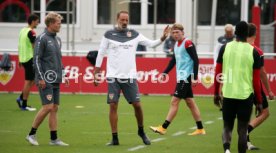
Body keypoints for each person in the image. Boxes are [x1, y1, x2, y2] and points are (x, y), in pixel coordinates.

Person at [94, 10, 169, 146]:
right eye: (122, 20)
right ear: (117, 19)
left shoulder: (134, 34)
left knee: (137, 105)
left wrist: (163, 38)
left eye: (126, 20)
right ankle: (115, 138)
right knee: (113, 105)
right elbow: (101, 52)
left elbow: (151, 44)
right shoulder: (108, 34)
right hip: (113, 77)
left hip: (129, 77)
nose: (124, 22)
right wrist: (96, 72)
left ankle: (141, 131)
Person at [214, 21, 262, 153]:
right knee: (242, 129)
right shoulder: (254, 52)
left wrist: (216, 93)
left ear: (235, 33)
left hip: (228, 94)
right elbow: (256, 81)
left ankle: (227, 150)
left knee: (227, 126)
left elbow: (218, 73)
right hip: (245, 96)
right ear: (247, 34)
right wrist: (259, 101)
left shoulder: (225, 48)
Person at [150, 23, 206, 136]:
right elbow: (173, 61)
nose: (175, 34)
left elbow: (196, 60)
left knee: (174, 101)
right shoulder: (176, 45)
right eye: (173, 33)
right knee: (190, 102)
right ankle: (200, 129)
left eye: (177, 32)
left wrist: (194, 77)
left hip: (186, 77)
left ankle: (163, 127)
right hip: (181, 77)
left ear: (183, 33)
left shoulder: (188, 43)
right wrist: (165, 72)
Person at [26, 12, 69, 146]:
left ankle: (54, 139)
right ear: (50, 24)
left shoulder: (57, 39)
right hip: (45, 79)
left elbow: (58, 60)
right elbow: (36, 60)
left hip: (56, 78)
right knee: (48, 107)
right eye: (58, 23)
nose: (60, 25)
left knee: (54, 107)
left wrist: (63, 74)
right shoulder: (42, 38)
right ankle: (31, 134)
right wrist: (40, 78)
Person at [246, 23, 275, 150]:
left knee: (245, 114)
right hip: (254, 87)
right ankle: (245, 132)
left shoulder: (234, 48)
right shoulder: (256, 50)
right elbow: (262, 73)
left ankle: (245, 141)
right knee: (265, 112)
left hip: (238, 87)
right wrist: (269, 91)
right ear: (255, 33)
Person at [17, 14, 39, 111]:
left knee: (33, 79)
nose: (38, 23)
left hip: (23, 58)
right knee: (28, 81)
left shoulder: (22, 30)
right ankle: (24, 104)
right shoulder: (32, 32)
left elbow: (19, 45)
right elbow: (35, 47)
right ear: (33, 21)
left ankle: (21, 97)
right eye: (37, 21)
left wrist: (19, 59)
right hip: (30, 58)